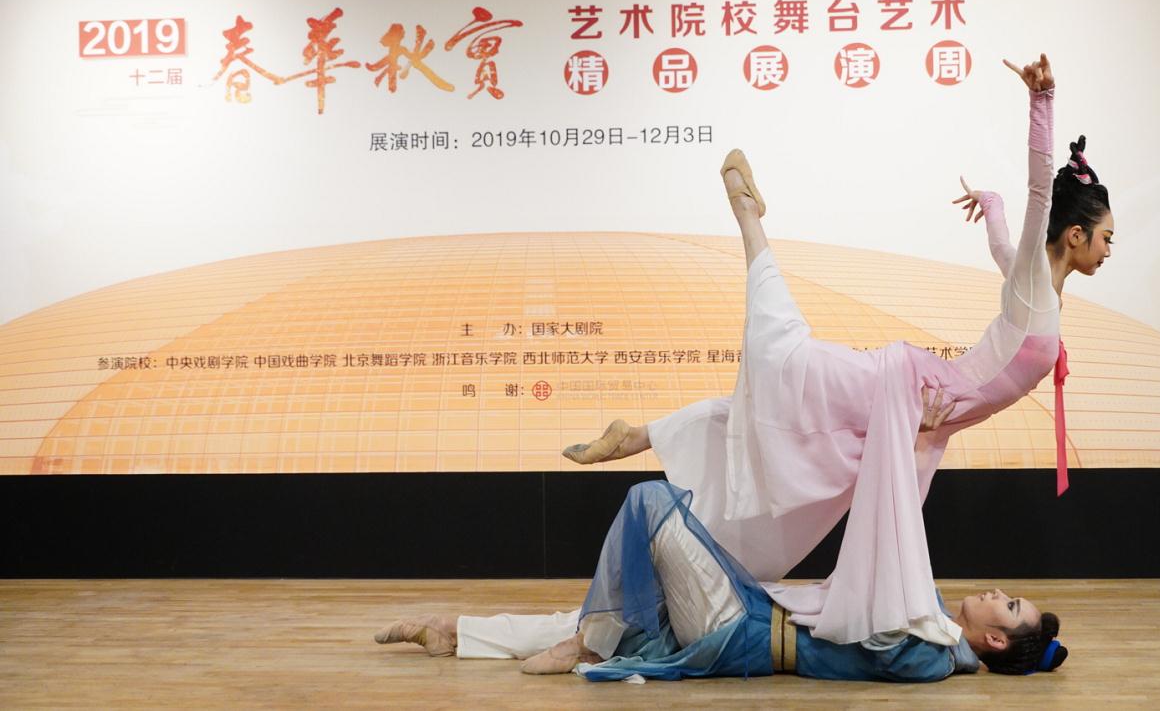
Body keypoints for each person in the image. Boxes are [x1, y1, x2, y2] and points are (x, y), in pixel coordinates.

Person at [562, 54, 1114, 644]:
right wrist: (1041, 102)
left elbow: (1004, 241)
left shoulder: (1035, 289)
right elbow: (1038, 194)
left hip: (921, 422)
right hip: (906, 389)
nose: (1108, 250)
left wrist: (990, 201)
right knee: (784, 364)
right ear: (1075, 234)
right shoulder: (1034, 287)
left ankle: (643, 435)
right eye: (1106, 237)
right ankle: (747, 215)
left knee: (797, 438)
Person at [373, 480, 1068, 681]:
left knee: (651, 500)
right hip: (745, 612)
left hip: (738, 633)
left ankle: (591, 644)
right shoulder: (934, 618)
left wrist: (904, 456)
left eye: (1007, 605)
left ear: (995, 640)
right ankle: (455, 633)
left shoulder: (930, 655)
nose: (995, 592)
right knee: (600, 615)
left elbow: (875, 610)